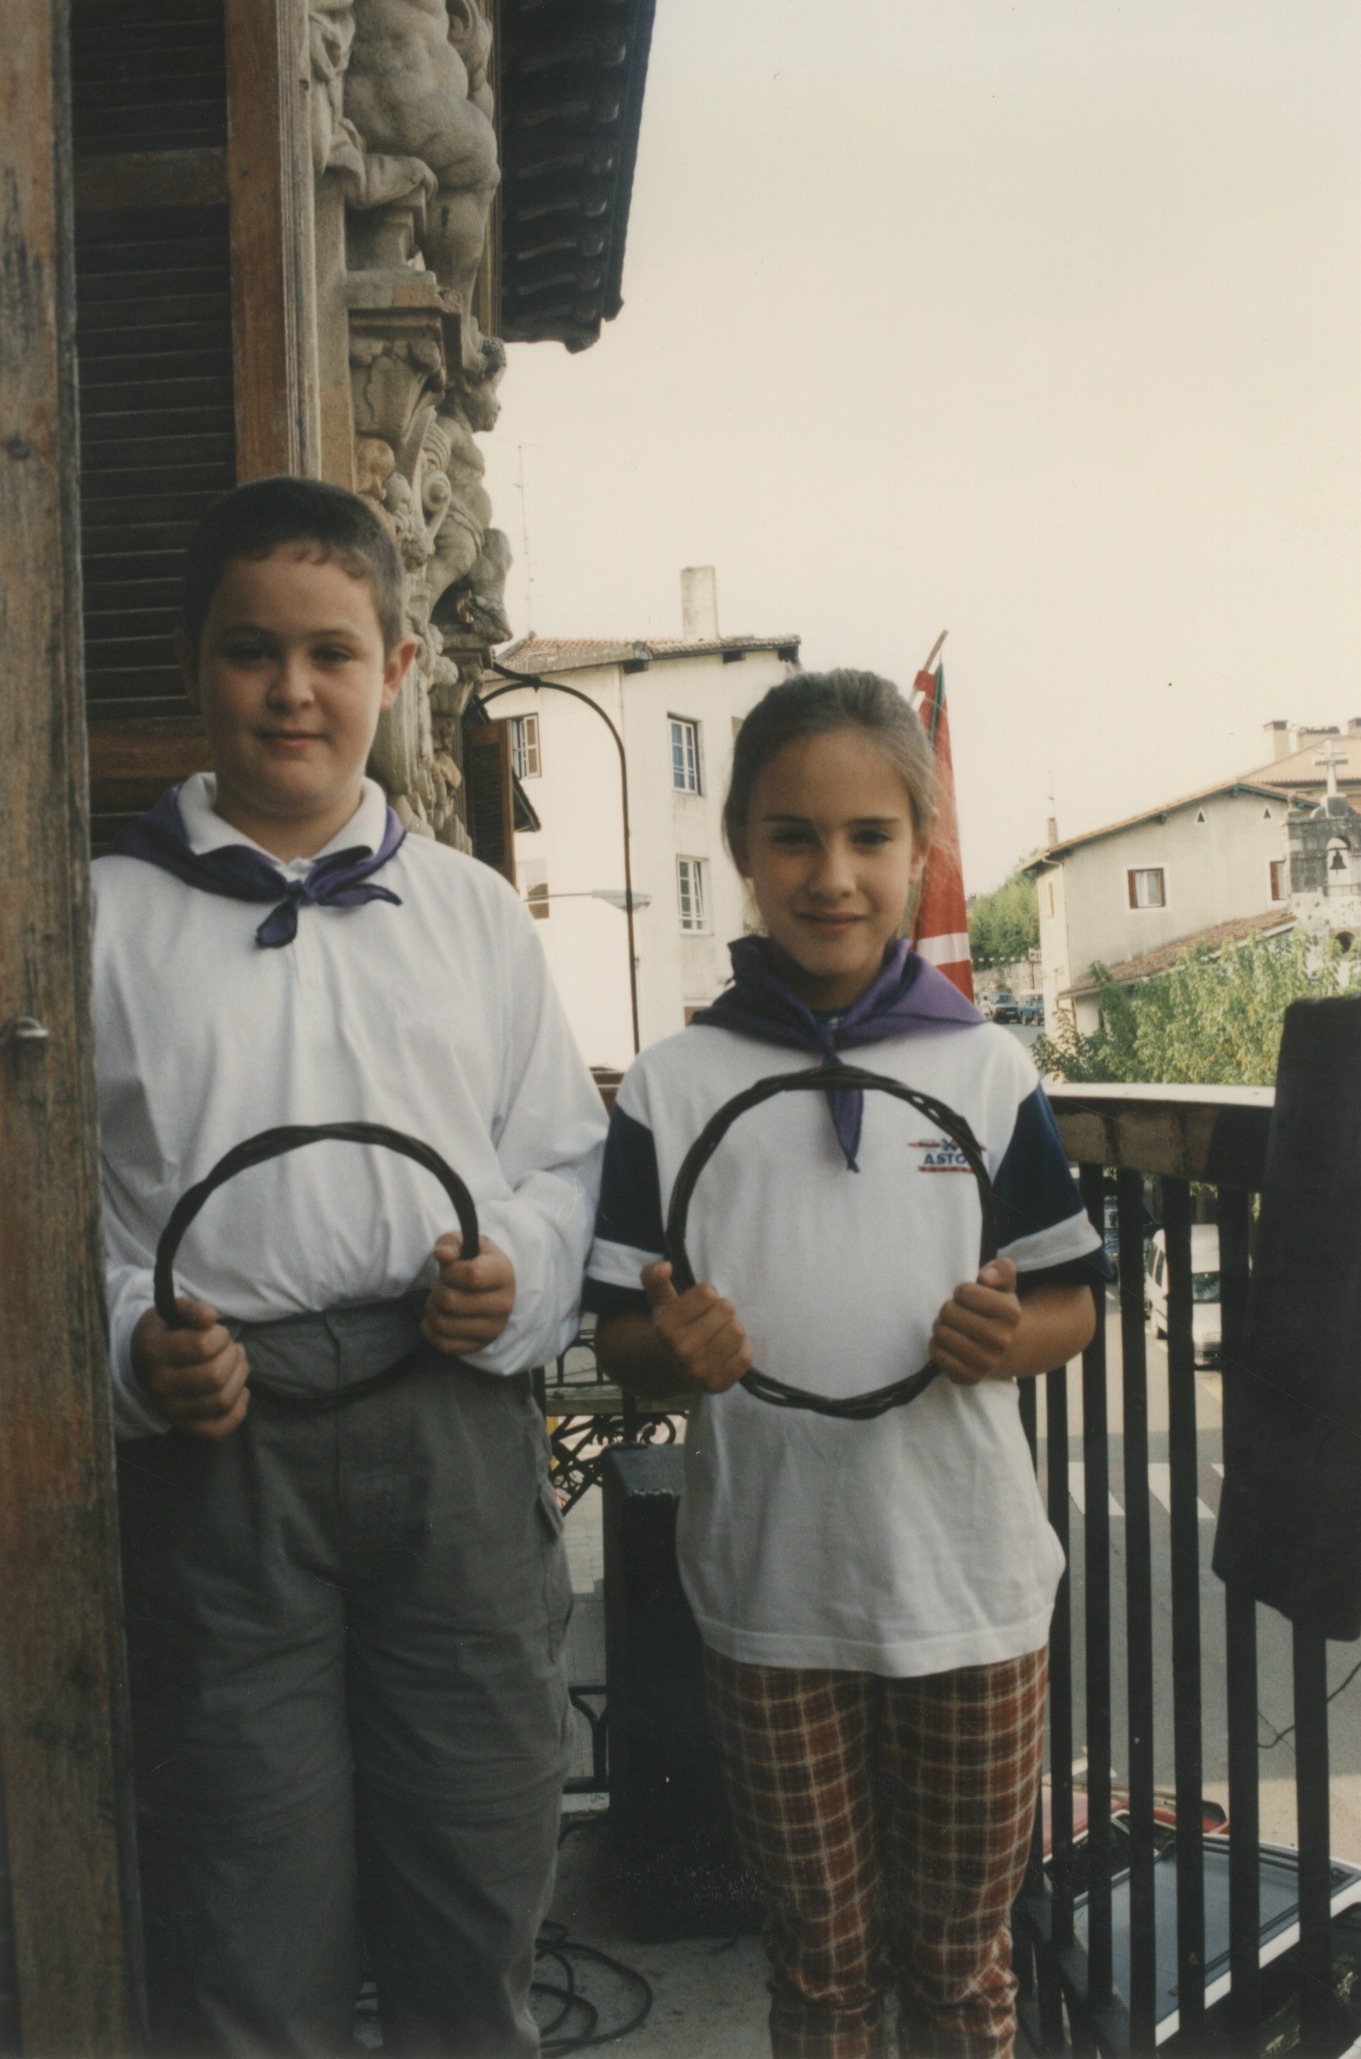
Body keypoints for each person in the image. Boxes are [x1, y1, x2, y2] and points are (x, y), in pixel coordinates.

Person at [93, 476, 606, 2057]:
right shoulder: (99, 921)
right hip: (218, 1462)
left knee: (475, 1868)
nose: (292, 691)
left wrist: (514, 1272)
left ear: (394, 668)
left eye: (331, 653)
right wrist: (130, 1345)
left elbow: (560, 1161)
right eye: (252, 651)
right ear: (195, 668)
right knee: (244, 1900)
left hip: (445, 1428)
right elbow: (61, 1215)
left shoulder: (470, 917)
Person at [584, 670, 1105, 2059]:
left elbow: (1070, 1303)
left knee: (962, 1968)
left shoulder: (988, 1070)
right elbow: (622, 1336)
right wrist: (670, 1352)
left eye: (870, 836)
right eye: (793, 838)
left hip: (972, 1595)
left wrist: (1009, 1337)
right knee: (818, 1968)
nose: (832, 875)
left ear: (920, 850)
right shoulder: (671, 1084)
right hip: (771, 1597)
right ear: (741, 849)